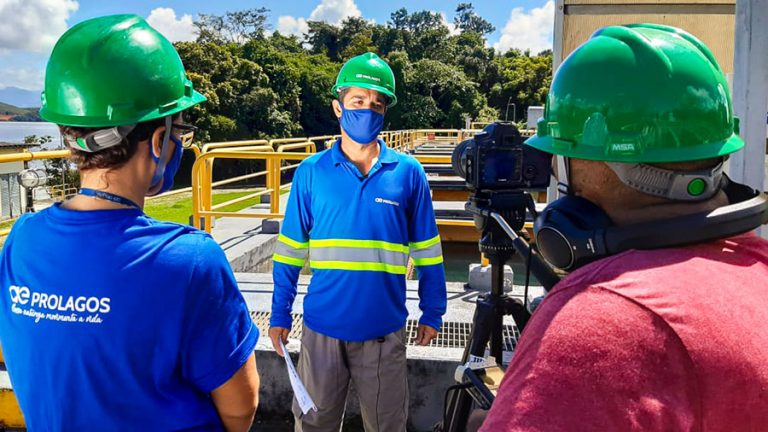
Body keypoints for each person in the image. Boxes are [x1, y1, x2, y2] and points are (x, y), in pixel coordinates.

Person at [479, 24, 768, 431]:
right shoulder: (758, 269)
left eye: (560, 157)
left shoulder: (599, 322)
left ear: (603, 162)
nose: (559, 174)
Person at [0, 15, 259, 431]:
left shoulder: (21, 240)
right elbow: (241, 407)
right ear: (158, 141)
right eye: (180, 133)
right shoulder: (190, 260)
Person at [269, 52, 447, 431]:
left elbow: (428, 251)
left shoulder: (408, 173)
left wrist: (433, 310)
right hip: (321, 332)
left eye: (376, 104)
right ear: (338, 107)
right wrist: (280, 313)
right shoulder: (311, 172)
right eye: (358, 101)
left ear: (384, 113)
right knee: (314, 425)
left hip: (383, 333)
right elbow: (289, 252)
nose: (367, 110)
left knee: (387, 426)